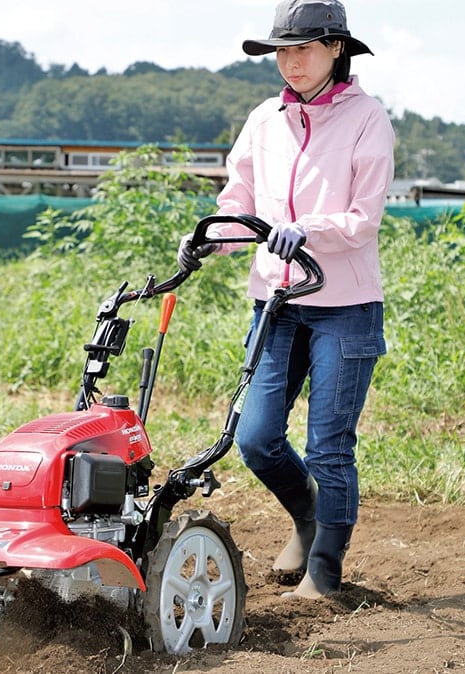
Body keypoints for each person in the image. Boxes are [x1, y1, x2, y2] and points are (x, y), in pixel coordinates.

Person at [177, 0, 395, 599]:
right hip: (276, 300)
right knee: (255, 438)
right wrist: (209, 236)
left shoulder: (366, 118)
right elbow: (237, 198)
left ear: (336, 50)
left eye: (303, 49)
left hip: (345, 305)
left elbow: (364, 217)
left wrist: (311, 230)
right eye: (281, 51)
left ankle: (324, 570)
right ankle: (309, 516)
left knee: (329, 443)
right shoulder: (264, 118)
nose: (290, 62)